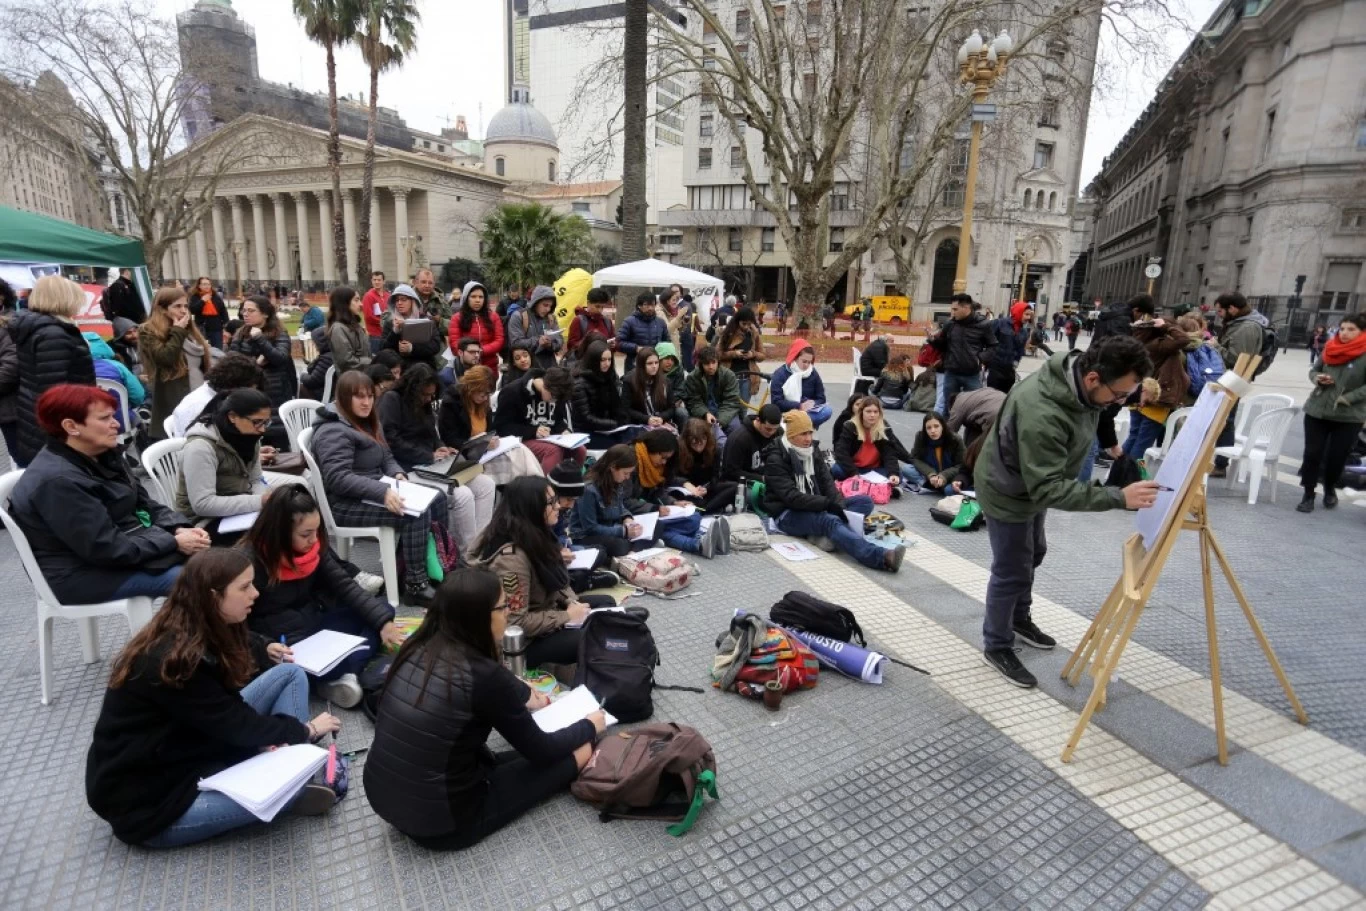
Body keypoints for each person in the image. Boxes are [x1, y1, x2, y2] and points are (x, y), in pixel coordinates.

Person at [85, 548, 342, 848]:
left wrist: (263, 647)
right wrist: (305, 730)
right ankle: (288, 783)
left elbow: (230, 704)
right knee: (280, 793)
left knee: (290, 674)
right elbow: (238, 725)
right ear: (212, 596)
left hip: (183, 745)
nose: (255, 594)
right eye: (245, 587)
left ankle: (282, 766)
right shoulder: (179, 663)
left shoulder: (191, 623)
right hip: (149, 805)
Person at [363, 567, 602, 849]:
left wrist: (520, 692)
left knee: (505, 760)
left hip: (384, 797)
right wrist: (590, 724)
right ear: (479, 617)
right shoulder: (483, 674)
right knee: (581, 749)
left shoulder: (417, 645)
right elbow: (541, 750)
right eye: (503, 607)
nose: (509, 612)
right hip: (446, 823)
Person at [974, 337, 1160, 689]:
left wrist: (1112, 445)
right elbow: (1047, 488)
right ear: (1092, 379)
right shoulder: (1043, 411)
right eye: (1119, 395)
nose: (1119, 403)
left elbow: (1096, 414)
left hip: (1032, 481)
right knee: (1012, 569)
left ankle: (1018, 619)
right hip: (1008, 489)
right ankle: (996, 644)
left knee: (1035, 552)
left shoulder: (1079, 377)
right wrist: (1117, 497)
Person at [10, 385, 209, 601]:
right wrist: (172, 542)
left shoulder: (102, 453)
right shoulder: (58, 481)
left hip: (120, 550)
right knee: (202, 580)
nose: (116, 424)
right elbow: (105, 548)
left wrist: (178, 527)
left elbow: (144, 503)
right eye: (105, 418)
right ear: (71, 426)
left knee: (222, 563)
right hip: (78, 574)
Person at [241, 485, 400, 706]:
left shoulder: (313, 548)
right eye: (306, 534)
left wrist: (383, 622)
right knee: (292, 669)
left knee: (383, 611)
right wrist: (265, 645)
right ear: (280, 531)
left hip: (316, 623)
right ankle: (343, 673)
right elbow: (233, 623)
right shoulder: (249, 561)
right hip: (282, 643)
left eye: (317, 531)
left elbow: (345, 585)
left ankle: (344, 675)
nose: (314, 539)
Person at [311, 370, 450, 606]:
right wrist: (382, 491)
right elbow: (338, 478)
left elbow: (386, 456)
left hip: (374, 491)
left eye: (370, 396)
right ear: (344, 398)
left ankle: (434, 564)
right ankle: (415, 585)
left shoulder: (365, 422)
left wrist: (397, 474)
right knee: (415, 513)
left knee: (437, 498)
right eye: (359, 397)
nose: (366, 402)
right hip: (345, 504)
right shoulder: (333, 430)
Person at [474, 476, 613, 670]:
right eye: (550, 502)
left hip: (544, 610)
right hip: (520, 644)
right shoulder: (511, 560)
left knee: (606, 604)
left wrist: (571, 602)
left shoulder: (534, 533)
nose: (557, 506)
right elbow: (514, 622)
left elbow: (558, 582)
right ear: (531, 508)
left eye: (556, 499)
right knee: (593, 637)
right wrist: (567, 617)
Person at [763, 410, 904, 571]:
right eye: (803, 434)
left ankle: (824, 533)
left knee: (864, 502)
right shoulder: (776, 458)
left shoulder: (812, 450)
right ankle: (881, 557)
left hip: (815, 503)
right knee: (829, 520)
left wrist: (838, 505)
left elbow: (827, 481)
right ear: (791, 435)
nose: (808, 439)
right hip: (787, 513)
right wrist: (827, 505)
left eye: (810, 432)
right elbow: (791, 498)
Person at [379, 364, 496, 550]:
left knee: (486, 485)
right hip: (407, 467)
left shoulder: (423, 404)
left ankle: (480, 544)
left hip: (430, 463)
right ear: (412, 389)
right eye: (425, 395)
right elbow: (391, 441)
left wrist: (443, 448)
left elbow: (432, 435)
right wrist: (429, 455)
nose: (428, 399)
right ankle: (464, 551)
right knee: (462, 494)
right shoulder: (392, 400)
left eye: (431, 395)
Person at [9, 275, 97, 466]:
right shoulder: (53, 334)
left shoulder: (37, 328)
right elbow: (55, 390)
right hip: (58, 424)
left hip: (37, 419)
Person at [174, 389, 274, 544]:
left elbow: (255, 479)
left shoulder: (248, 437)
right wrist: (260, 501)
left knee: (287, 517)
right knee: (271, 535)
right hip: (201, 524)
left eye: (266, 422)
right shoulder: (200, 447)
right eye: (257, 422)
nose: (262, 429)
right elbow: (203, 504)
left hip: (238, 512)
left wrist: (263, 504)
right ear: (232, 417)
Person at [1298, 313, 1366, 512]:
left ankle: (1329, 489)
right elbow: (1314, 370)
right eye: (1343, 328)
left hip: (1348, 416)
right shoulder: (1330, 347)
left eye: (1351, 329)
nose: (1344, 333)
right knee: (1312, 454)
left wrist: (1348, 398)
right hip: (1317, 410)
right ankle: (1308, 493)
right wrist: (1318, 378)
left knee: (1337, 457)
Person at [437, 365, 543, 485]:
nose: (485, 398)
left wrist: (491, 438)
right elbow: (449, 439)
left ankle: (540, 488)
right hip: (466, 457)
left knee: (521, 450)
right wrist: (478, 443)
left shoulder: (483, 403)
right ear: (472, 388)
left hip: (486, 452)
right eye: (483, 394)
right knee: (515, 464)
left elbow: (490, 430)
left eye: (488, 394)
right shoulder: (451, 404)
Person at [1209, 291, 1272, 478]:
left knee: (1226, 420)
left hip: (1233, 380)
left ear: (1233, 309)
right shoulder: (1239, 323)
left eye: (1220, 311)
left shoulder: (1247, 328)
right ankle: (1219, 460)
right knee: (1222, 419)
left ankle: (1221, 464)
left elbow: (1238, 359)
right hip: (1228, 378)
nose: (1218, 315)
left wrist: (1215, 346)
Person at [1121, 315, 1192, 461]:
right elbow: (1184, 339)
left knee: (1134, 436)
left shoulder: (1141, 340)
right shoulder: (1160, 344)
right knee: (1142, 443)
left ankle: (1118, 473)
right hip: (1155, 398)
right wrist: (1166, 326)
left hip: (1138, 394)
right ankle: (1130, 476)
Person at [494, 366, 585, 474]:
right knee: (553, 450)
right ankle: (549, 489)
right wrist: (533, 431)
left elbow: (558, 421)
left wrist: (564, 430)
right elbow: (501, 428)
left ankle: (573, 486)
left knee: (580, 449)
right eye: (553, 398)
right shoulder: (512, 392)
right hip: (520, 440)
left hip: (549, 438)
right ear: (546, 386)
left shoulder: (558, 393)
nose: (554, 403)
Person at [569, 445, 646, 559]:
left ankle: (632, 551)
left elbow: (620, 506)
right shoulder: (589, 489)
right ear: (613, 467)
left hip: (612, 527)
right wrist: (623, 531)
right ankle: (635, 549)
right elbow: (590, 528)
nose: (628, 477)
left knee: (657, 526)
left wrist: (626, 517)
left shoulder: (617, 482)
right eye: (625, 473)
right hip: (587, 536)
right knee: (620, 545)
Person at [927, 293, 995, 416]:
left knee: (974, 410)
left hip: (972, 374)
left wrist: (980, 358)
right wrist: (933, 340)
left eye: (955, 309)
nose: (952, 312)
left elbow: (993, 346)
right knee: (948, 409)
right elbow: (943, 345)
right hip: (951, 373)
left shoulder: (984, 325)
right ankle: (948, 434)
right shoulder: (950, 324)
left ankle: (971, 435)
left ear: (966, 308)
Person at [170, 353, 264, 439]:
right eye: (249, 391)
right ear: (236, 385)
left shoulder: (215, 396)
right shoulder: (200, 406)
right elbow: (200, 446)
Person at [831, 397, 905, 487]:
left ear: (880, 413)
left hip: (875, 469)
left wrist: (893, 473)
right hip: (855, 467)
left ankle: (862, 485)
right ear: (861, 412)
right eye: (868, 411)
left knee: (898, 475)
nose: (872, 415)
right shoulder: (850, 426)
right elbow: (841, 452)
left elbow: (889, 453)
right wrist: (853, 473)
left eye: (875, 411)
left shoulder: (884, 427)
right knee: (837, 470)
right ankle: (875, 486)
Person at [675, 418, 740, 514]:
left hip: (705, 488)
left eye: (703, 439)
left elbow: (716, 476)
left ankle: (705, 508)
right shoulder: (678, 450)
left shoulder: (714, 449)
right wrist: (687, 485)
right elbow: (671, 477)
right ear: (687, 439)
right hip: (686, 490)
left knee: (736, 487)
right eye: (695, 441)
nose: (699, 444)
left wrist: (707, 488)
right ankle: (709, 508)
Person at [572, 339, 629, 448]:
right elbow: (586, 418)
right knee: (618, 447)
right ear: (594, 360)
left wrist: (620, 422)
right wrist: (612, 424)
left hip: (607, 428)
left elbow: (617, 407)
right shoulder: (580, 383)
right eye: (603, 360)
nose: (607, 364)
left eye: (609, 359)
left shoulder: (608, 378)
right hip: (586, 433)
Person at [83, 331, 147, 425]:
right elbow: (138, 396)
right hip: (121, 422)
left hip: (87, 426)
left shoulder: (73, 371)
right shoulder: (117, 366)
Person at [684, 345, 744, 444]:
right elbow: (694, 402)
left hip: (725, 412)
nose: (711, 367)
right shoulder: (693, 378)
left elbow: (732, 401)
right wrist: (705, 413)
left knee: (736, 430)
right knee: (698, 433)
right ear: (701, 364)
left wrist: (721, 420)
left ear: (718, 362)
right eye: (707, 363)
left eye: (713, 362)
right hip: (703, 413)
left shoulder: (728, 375)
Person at [382, 283, 444, 373]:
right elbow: (383, 349)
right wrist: (395, 332)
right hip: (399, 371)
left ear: (412, 301)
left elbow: (435, 346)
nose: (399, 303)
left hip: (424, 369)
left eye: (403, 299)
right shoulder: (390, 323)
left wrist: (412, 348)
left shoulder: (426, 320)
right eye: (397, 300)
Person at [721, 402, 783, 491]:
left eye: (775, 429)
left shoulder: (778, 432)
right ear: (758, 420)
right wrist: (762, 479)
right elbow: (731, 472)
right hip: (742, 484)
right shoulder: (739, 439)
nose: (772, 432)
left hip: (769, 477)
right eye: (768, 429)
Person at [769, 339, 831, 427]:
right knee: (800, 419)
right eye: (804, 361)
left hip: (809, 412)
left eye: (809, 362)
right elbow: (776, 402)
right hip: (787, 413)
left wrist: (813, 403)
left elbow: (821, 398)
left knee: (827, 410)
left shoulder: (813, 373)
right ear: (795, 357)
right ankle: (801, 427)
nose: (806, 365)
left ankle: (800, 426)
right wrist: (799, 406)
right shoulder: (780, 374)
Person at [448, 281, 505, 373]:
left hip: (489, 367)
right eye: (473, 296)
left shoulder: (494, 317)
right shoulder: (456, 318)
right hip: (466, 369)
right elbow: (455, 344)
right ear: (466, 298)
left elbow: (499, 340)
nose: (477, 300)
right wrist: (471, 352)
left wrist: (481, 351)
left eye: (481, 297)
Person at [906, 412, 966, 492]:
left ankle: (934, 486)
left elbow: (961, 465)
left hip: (948, 475)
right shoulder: (921, 437)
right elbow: (915, 459)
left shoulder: (955, 440)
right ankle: (933, 485)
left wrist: (944, 475)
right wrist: (930, 474)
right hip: (930, 473)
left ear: (942, 426)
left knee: (949, 491)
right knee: (906, 469)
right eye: (929, 428)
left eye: (936, 426)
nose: (933, 431)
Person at [506, 286, 562, 370]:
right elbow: (515, 343)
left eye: (550, 306)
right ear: (536, 302)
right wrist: (538, 341)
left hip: (549, 367)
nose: (548, 309)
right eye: (545, 305)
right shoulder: (519, 316)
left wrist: (550, 344)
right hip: (525, 369)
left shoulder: (551, 318)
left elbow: (560, 340)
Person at [617, 291, 671, 374]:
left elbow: (667, 342)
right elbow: (619, 343)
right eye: (646, 305)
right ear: (639, 306)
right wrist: (636, 348)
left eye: (652, 305)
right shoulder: (629, 321)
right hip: (634, 366)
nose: (650, 308)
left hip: (655, 366)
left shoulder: (660, 323)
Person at [717, 307, 765, 399]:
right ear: (738, 321)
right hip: (730, 377)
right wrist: (734, 354)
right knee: (730, 407)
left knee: (743, 409)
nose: (746, 327)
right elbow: (718, 354)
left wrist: (753, 354)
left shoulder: (754, 334)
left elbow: (762, 355)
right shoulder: (728, 333)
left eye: (749, 324)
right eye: (744, 324)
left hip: (747, 377)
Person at [327, 285, 372, 378]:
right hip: (351, 383)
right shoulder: (338, 329)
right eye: (356, 300)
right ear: (344, 303)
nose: (361, 304)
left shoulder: (354, 325)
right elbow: (347, 361)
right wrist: (372, 363)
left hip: (363, 378)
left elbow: (364, 352)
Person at [947, 385, 1005, 450]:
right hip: (1007, 406)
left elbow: (949, 432)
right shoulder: (976, 394)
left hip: (993, 415)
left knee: (990, 450)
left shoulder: (958, 403)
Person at [566, 287, 616, 359]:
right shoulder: (579, 320)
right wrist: (588, 343)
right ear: (588, 303)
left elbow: (613, 342)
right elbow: (571, 345)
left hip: (603, 363)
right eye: (597, 306)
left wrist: (613, 345)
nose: (600, 310)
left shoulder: (607, 322)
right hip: (583, 363)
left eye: (602, 307)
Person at [986, 310, 1025, 393]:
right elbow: (987, 338)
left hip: (1009, 370)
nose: (1028, 317)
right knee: (992, 395)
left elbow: (1020, 349)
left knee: (1005, 396)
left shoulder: (1023, 331)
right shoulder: (1000, 323)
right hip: (995, 366)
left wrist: (1016, 362)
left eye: (1030, 315)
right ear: (1018, 313)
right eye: (1026, 314)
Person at [187, 277, 227, 350]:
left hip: (216, 328)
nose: (207, 286)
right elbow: (192, 310)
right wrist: (202, 301)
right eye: (204, 284)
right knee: (202, 349)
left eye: (208, 284)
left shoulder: (215, 296)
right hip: (202, 328)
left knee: (218, 349)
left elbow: (223, 311)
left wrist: (226, 325)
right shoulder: (195, 297)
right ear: (199, 286)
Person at [655, 342, 689, 424]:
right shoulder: (652, 370)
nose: (670, 362)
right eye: (666, 358)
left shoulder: (678, 370)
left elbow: (680, 391)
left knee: (682, 413)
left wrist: (670, 403)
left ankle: (683, 436)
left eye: (672, 359)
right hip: (653, 406)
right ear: (659, 359)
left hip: (671, 405)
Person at [361, 270, 390, 353]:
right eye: (374, 280)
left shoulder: (388, 296)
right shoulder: (368, 296)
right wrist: (385, 323)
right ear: (371, 281)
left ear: (384, 281)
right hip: (375, 336)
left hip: (386, 335)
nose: (376, 282)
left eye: (379, 280)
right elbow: (368, 317)